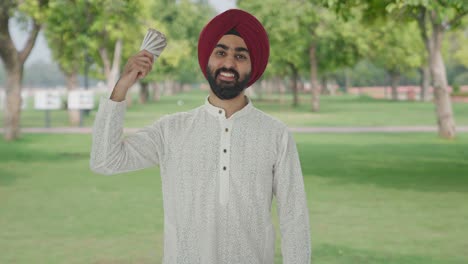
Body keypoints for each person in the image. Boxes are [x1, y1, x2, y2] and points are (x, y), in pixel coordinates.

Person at [90, 9, 311, 264]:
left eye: (240, 55)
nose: (228, 63)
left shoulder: (275, 134)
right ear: (208, 59)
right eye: (221, 52)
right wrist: (122, 86)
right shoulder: (171, 130)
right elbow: (104, 160)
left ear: (253, 65)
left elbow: (294, 219)